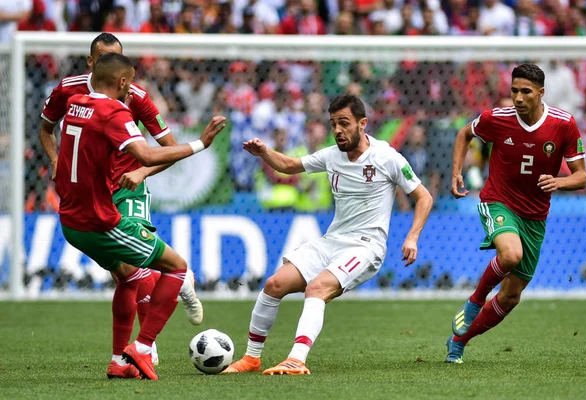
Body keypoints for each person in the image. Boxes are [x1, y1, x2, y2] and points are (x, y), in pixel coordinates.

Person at [223, 95, 433, 375]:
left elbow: (424, 197)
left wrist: (412, 237)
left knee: (317, 288)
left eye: (344, 123)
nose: (337, 130)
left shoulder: (387, 157)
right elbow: (288, 166)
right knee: (274, 284)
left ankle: (296, 359)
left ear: (363, 124)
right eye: (333, 123)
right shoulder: (331, 155)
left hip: (365, 247)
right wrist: (265, 152)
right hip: (332, 241)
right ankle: (252, 358)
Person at [39, 32, 203, 376]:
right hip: (96, 203)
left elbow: (161, 148)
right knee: (141, 271)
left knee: (132, 273)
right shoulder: (74, 92)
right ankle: (142, 345)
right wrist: (55, 160)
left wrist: (142, 172)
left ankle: (133, 353)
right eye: (102, 58)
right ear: (91, 63)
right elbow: (45, 128)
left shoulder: (129, 97)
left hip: (127, 189)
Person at [446, 63, 586, 363]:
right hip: (498, 201)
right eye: (514, 91)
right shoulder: (497, 118)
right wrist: (456, 173)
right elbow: (463, 134)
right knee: (510, 255)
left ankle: (459, 341)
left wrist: (559, 182)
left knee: (510, 297)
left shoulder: (563, 124)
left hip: (535, 216)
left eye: (526, 91)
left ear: (541, 93)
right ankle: (474, 300)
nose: (519, 98)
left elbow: (581, 177)